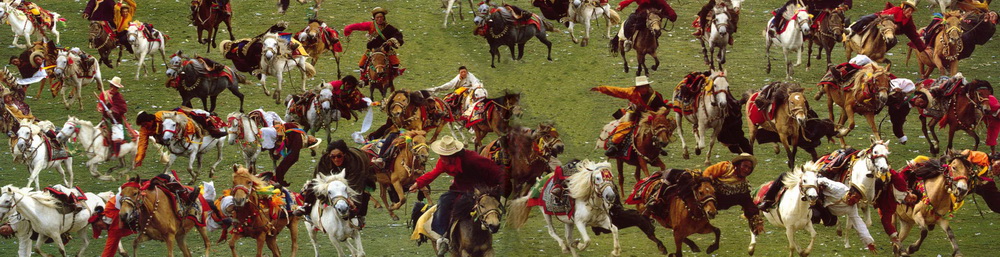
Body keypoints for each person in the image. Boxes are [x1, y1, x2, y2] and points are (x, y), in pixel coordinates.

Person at [406, 135, 506, 252]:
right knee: (444, 200)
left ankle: (489, 224)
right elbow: (433, 174)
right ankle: (443, 237)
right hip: (459, 189)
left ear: (453, 155)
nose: (441, 157)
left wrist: (501, 184)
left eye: (444, 155)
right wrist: (417, 184)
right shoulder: (443, 161)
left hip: (480, 189)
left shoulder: (472, 158)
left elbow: (493, 169)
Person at [294, 140, 376, 227]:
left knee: (363, 191)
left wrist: (352, 207)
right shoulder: (325, 160)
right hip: (337, 172)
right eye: (333, 157)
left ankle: (360, 217)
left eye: (339, 156)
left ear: (344, 154)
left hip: (362, 172)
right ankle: (307, 206)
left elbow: (355, 187)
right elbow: (317, 179)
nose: (336, 159)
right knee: (313, 185)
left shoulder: (355, 161)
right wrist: (325, 198)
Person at [591, 76, 667, 156]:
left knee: (662, 126)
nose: (643, 89)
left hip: (649, 114)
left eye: (645, 87)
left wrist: (660, 112)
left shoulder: (655, 96)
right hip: (634, 111)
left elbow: (662, 106)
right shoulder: (631, 92)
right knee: (625, 125)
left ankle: (659, 145)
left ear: (648, 86)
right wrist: (601, 89)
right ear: (637, 88)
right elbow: (617, 91)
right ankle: (614, 144)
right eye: (641, 87)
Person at [847, 1, 932, 57]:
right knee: (865, 19)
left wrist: (923, 48)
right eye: (909, 10)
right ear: (903, 8)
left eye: (912, 12)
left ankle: (879, 53)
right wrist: (891, 24)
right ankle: (851, 31)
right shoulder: (895, 10)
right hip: (880, 20)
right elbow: (883, 17)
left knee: (893, 41)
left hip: (888, 32)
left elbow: (914, 35)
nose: (910, 13)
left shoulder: (908, 22)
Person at [702, 153, 762, 230]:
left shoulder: (743, 186)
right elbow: (707, 173)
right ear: (738, 165)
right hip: (710, 197)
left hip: (723, 203)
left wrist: (756, 221)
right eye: (744, 166)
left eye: (749, 168)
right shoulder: (725, 167)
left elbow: (749, 205)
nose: (746, 169)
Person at [259, 122, 320, 187]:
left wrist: (279, 176)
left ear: (311, 141)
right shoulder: (300, 136)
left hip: (272, 132)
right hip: (275, 129)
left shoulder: (298, 141)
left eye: (314, 139)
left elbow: (290, 158)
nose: (313, 137)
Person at [348, 7, 404, 76]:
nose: (379, 19)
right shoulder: (370, 25)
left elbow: (397, 35)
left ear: (384, 18)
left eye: (381, 17)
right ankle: (363, 78)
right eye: (377, 17)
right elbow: (359, 26)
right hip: (373, 48)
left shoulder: (389, 27)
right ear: (374, 18)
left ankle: (394, 74)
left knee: (395, 62)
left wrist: (391, 41)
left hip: (385, 48)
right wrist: (349, 29)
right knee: (362, 63)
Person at [98, 77, 128, 157]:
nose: (112, 88)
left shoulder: (119, 96)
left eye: (114, 87)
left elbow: (123, 108)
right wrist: (100, 108)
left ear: (117, 88)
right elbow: (100, 103)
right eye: (111, 85)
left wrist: (113, 110)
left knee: (117, 136)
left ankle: (116, 154)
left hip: (116, 120)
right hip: (105, 119)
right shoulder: (104, 94)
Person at [888, 78, 915, 144]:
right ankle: (901, 136)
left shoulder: (910, 87)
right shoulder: (893, 83)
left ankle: (901, 137)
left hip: (903, 105)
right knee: (894, 119)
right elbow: (895, 85)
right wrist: (896, 89)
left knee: (898, 121)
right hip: (893, 101)